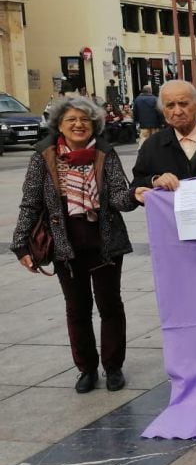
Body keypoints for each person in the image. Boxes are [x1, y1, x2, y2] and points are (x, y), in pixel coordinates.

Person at [10, 96, 150, 393]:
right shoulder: (43, 155)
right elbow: (30, 202)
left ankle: (113, 367)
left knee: (110, 306)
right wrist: (20, 245)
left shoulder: (105, 153)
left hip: (105, 244)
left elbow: (119, 198)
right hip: (65, 246)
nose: (78, 125)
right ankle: (86, 369)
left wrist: (137, 195)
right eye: (70, 119)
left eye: (84, 120)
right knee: (77, 309)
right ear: (59, 125)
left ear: (94, 125)